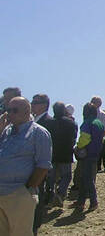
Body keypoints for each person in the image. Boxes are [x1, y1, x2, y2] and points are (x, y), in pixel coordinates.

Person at [0, 97, 52, 236]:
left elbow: (43, 165)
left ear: (26, 111)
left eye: (14, 110)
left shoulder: (39, 133)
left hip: (18, 194)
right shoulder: (6, 131)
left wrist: (27, 189)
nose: (9, 113)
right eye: (8, 110)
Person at [72, 102, 104, 212]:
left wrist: (78, 147)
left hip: (87, 154)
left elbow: (85, 138)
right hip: (96, 153)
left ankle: (93, 201)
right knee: (86, 178)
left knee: (87, 179)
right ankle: (80, 201)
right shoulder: (99, 123)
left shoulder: (87, 123)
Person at [30, 94, 53, 230]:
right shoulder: (33, 120)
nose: (32, 105)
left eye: (35, 102)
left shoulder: (49, 122)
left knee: (37, 195)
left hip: (40, 165)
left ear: (44, 105)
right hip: (31, 165)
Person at [47, 102, 78, 207]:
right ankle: (61, 193)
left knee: (51, 178)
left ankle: (50, 197)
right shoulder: (70, 123)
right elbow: (74, 138)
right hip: (66, 154)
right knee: (66, 176)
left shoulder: (49, 122)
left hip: (52, 153)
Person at [90, 96, 105, 173]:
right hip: (91, 138)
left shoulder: (103, 115)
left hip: (101, 138)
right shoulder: (88, 114)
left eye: (94, 102)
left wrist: (99, 136)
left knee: (104, 153)